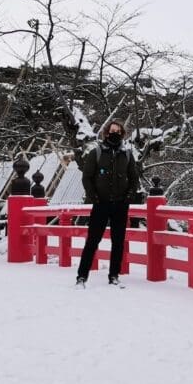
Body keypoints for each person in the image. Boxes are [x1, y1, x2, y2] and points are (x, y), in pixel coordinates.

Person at [76, 120, 140, 288]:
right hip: (101, 203)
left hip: (120, 204)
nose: (115, 133)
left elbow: (134, 178)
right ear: (106, 132)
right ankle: (82, 276)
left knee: (118, 242)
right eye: (112, 130)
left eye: (118, 131)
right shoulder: (96, 153)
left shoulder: (126, 155)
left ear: (122, 134)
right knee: (92, 241)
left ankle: (114, 275)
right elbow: (87, 177)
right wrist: (94, 197)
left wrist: (129, 197)